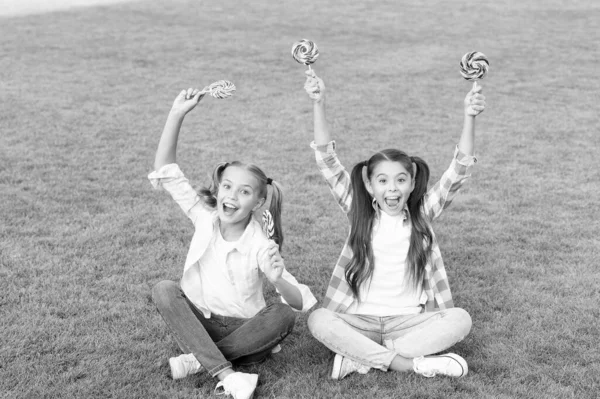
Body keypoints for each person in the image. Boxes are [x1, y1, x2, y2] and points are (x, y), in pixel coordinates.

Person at [302, 70, 486, 380]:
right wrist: (319, 103)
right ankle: (407, 362)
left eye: (401, 180)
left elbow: (458, 171)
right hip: (358, 319)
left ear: (413, 184)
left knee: (460, 319)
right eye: (383, 181)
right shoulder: (358, 211)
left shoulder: (421, 215)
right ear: (369, 184)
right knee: (318, 319)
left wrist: (470, 116)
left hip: (408, 322)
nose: (392, 189)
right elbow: (327, 162)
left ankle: (361, 357)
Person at [149, 87, 317, 399]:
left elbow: (295, 303)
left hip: (246, 332)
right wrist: (177, 114)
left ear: (257, 202)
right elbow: (166, 172)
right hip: (204, 323)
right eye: (227, 186)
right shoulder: (204, 216)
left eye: (243, 191)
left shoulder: (260, 243)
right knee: (164, 289)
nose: (231, 196)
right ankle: (228, 373)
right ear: (218, 190)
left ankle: (199, 359)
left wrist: (279, 279)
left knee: (282, 315)